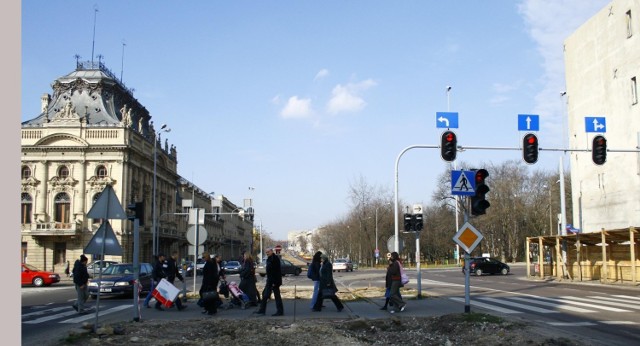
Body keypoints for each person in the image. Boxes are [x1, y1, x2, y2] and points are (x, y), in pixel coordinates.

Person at [254, 248, 283, 316]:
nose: (267, 253)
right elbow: (269, 271)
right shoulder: (269, 259)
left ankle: (279, 311)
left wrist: (274, 282)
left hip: (274, 281)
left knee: (276, 296)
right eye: (266, 252)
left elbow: (275, 271)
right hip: (270, 280)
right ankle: (262, 310)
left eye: (268, 252)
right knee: (265, 295)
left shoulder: (274, 259)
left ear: (271, 251)